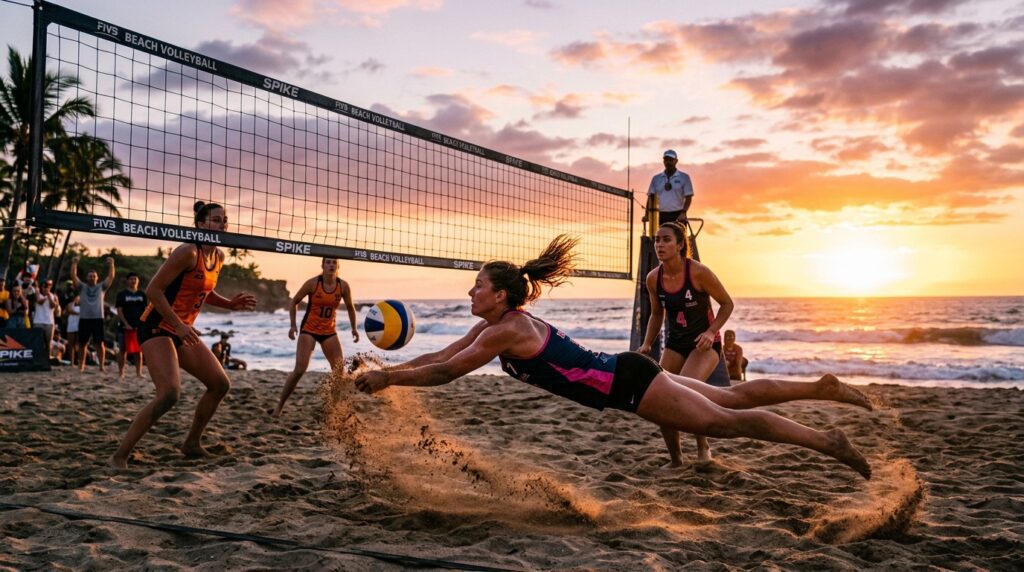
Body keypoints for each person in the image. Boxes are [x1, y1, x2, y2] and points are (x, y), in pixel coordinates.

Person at [354, 235, 873, 480]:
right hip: (628, 371)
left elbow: (447, 371)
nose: (472, 293)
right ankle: (819, 386)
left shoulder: (505, 332)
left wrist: (387, 382)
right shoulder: (495, 325)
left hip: (629, 385)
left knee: (724, 422)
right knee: (731, 398)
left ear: (503, 296)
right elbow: (445, 352)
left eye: (478, 287)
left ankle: (826, 440)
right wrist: (391, 372)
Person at [108, 201, 256, 469]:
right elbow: (153, 291)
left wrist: (230, 305)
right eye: (215, 220)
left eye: (224, 220)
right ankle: (120, 455)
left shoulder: (218, 257)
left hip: (181, 328)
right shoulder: (187, 252)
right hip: (157, 326)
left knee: (220, 384)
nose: (222, 224)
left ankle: (191, 443)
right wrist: (177, 324)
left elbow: (204, 291)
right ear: (200, 225)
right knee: (169, 394)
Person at [639, 222, 733, 466]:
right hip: (676, 342)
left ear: (680, 245)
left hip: (704, 344)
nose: (659, 244)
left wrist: (711, 332)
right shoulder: (653, 279)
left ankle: (703, 448)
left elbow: (727, 304)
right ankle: (676, 460)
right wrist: (647, 344)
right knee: (661, 397)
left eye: (666, 239)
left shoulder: (698, 272)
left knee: (689, 393)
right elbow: (657, 314)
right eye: (657, 240)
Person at [273, 257, 359, 417]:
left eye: (334, 263)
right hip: (309, 330)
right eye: (328, 262)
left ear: (338, 266)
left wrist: (354, 328)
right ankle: (279, 406)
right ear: (322, 265)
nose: (331, 265)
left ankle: (333, 411)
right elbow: (294, 302)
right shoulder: (313, 283)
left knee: (339, 371)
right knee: (300, 369)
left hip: (329, 332)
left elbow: (350, 308)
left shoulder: (343, 286)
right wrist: (293, 325)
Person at [69, 256, 116, 373]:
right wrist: (74, 263)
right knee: (82, 343)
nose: (92, 278)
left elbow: (111, 277)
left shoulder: (101, 287)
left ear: (97, 278)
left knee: (99, 343)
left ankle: (101, 366)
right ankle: (81, 365)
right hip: (84, 318)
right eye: (90, 276)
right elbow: (73, 276)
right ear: (87, 278)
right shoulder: (82, 287)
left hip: (98, 318)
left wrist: (111, 265)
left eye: (94, 276)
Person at [646, 149, 694, 225]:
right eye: (666, 159)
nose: (668, 162)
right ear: (663, 161)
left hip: (678, 215)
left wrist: (683, 213)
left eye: (671, 160)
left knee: (679, 237)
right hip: (660, 215)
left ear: (676, 161)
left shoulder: (684, 177)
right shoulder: (656, 178)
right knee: (658, 237)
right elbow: (650, 197)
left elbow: (688, 198)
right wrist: (647, 215)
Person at [115, 273, 148, 378]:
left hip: (138, 327)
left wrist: (143, 324)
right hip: (124, 327)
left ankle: (139, 373)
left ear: (138, 281)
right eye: (131, 279)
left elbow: (146, 311)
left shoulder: (142, 295)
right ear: (127, 281)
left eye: (135, 279)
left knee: (138, 351)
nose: (133, 281)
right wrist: (126, 324)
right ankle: (121, 373)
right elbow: (119, 311)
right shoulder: (122, 294)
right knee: (122, 349)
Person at [32, 279, 61, 354]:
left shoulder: (53, 296)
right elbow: (39, 302)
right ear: (42, 287)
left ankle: (47, 359)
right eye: (45, 286)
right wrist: (45, 297)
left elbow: (53, 306)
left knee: (49, 342)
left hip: (49, 321)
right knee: (38, 342)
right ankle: (38, 358)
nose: (46, 288)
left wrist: (49, 296)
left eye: (48, 286)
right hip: (38, 321)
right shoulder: (38, 294)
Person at [65, 294, 81, 367]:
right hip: (71, 325)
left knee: (78, 344)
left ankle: (80, 361)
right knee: (71, 344)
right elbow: (70, 310)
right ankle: (72, 363)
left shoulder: (83, 305)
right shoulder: (70, 304)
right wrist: (78, 313)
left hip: (79, 326)